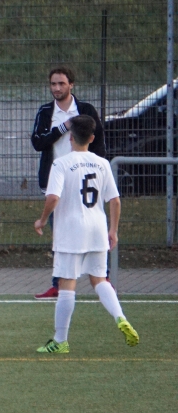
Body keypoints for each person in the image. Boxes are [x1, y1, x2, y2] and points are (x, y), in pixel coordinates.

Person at [32, 114, 139, 353]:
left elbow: (53, 197)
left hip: (71, 230)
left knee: (66, 283)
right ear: (91, 138)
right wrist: (113, 230)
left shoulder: (61, 163)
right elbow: (115, 200)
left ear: (70, 137)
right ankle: (120, 317)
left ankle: (60, 341)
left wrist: (42, 220)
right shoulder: (102, 163)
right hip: (97, 228)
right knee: (99, 280)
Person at [31, 66, 106, 300]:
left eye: (61, 83)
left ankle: (103, 280)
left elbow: (98, 142)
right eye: (53, 84)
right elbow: (37, 142)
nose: (56, 88)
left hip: (83, 182)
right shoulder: (46, 112)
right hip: (56, 181)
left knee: (93, 227)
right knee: (59, 234)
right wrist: (62, 128)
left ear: (71, 85)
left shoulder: (85, 110)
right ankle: (59, 282)